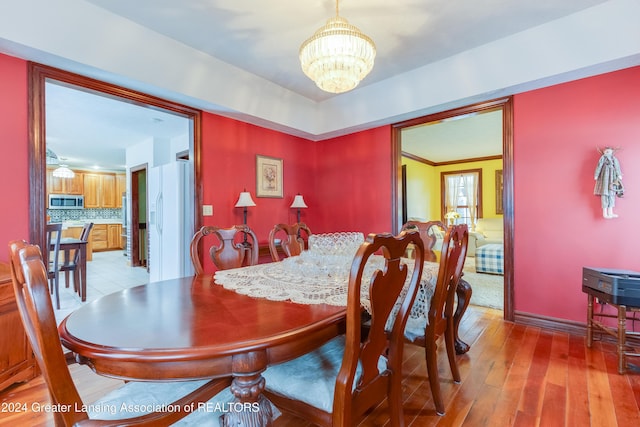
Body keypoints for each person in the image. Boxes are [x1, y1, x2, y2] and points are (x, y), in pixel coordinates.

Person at [594, 147, 623, 218]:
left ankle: (611, 212)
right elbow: (599, 166)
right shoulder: (602, 158)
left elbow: (617, 167)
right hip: (604, 178)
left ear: (612, 152)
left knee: (612, 194)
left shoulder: (614, 159)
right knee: (604, 193)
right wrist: (596, 175)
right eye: (606, 151)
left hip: (612, 177)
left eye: (609, 151)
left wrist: (619, 174)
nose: (607, 152)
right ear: (604, 152)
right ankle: (605, 213)